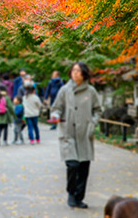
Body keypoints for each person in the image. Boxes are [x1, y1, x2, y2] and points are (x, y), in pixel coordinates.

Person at [49, 61, 100, 209]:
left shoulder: (91, 91)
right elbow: (56, 107)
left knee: (84, 167)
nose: (75, 73)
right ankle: (71, 193)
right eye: (73, 70)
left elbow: (98, 110)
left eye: (78, 71)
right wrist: (55, 115)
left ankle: (79, 197)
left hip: (85, 133)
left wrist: (92, 124)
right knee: (72, 165)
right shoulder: (65, 90)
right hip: (68, 133)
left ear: (84, 73)